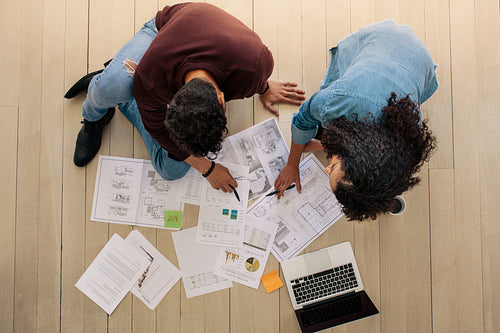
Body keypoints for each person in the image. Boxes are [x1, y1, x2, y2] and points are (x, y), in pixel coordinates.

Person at [65, 2, 305, 193]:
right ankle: (97, 107)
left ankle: (123, 91)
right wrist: (207, 167)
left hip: (202, 37)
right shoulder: (152, 78)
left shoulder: (256, 65)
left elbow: (252, 77)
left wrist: (262, 88)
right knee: (112, 87)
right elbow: (158, 129)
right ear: (169, 101)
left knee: (171, 170)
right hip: (159, 34)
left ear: (221, 99)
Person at [274, 20, 438, 221]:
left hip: (419, 60)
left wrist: (322, 146)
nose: (327, 167)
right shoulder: (337, 100)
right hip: (381, 39)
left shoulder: (405, 144)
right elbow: (303, 120)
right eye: (333, 167)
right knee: (322, 122)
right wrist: (292, 163)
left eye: (331, 169)